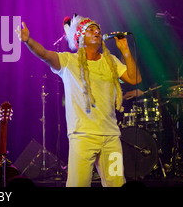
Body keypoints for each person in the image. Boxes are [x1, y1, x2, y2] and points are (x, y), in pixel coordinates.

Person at [16, 14, 141, 187]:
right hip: (83, 136)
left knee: (117, 183)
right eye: (90, 29)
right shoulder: (69, 61)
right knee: (78, 184)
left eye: (98, 29)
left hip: (110, 137)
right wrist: (28, 41)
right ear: (80, 37)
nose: (96, 31)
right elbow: (45, 54)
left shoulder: (110, 61)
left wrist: (125, 51)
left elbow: (134, 79)